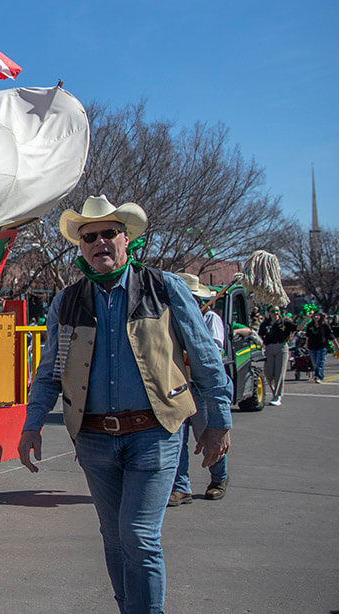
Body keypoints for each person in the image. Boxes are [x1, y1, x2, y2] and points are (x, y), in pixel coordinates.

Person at [17, 196, 232, 614]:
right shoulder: (69, 300)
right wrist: (32, 423)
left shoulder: (163, 287)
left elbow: (205, 358)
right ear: (81, 246)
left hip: (154, 434)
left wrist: (218, 422)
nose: (100, 242)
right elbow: (51, 369)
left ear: (126, 239)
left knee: (138, 535)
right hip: (95, 440)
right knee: (113, 538)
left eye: (108, 233)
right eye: (89, 236)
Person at [168, 273, 229, 505]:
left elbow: (210, 355)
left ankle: (219, 479)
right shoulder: (171, 319)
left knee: (209, 437)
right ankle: (180, 486)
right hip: (176, 388)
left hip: (201, 389)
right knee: (176, 441)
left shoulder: (210, 318)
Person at [259, 306, 296, 403]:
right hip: (269, 348)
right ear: (269, 313)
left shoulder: (285, 323)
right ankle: (274, 391)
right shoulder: (265, 324)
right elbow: (260, 335)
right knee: (268, 373)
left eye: (277, 311)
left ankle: (277, 395)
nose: (275, 313)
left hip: (281, 347)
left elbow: (298, 328)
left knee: (279, 372)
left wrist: (306, 318)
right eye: (273, 311)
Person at [302, 308, 334, 383]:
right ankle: (319, 374)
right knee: (314, 363)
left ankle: (318, 376)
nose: (316, 317)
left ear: (320, 316)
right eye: (314, 316)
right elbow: (307, 336)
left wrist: (336, 345)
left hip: (322, 346)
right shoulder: (310, 325)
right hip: (312, 347)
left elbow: (331, 336)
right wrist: (306, 346)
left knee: (320, 362)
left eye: (317, 315)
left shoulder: (324, 325)